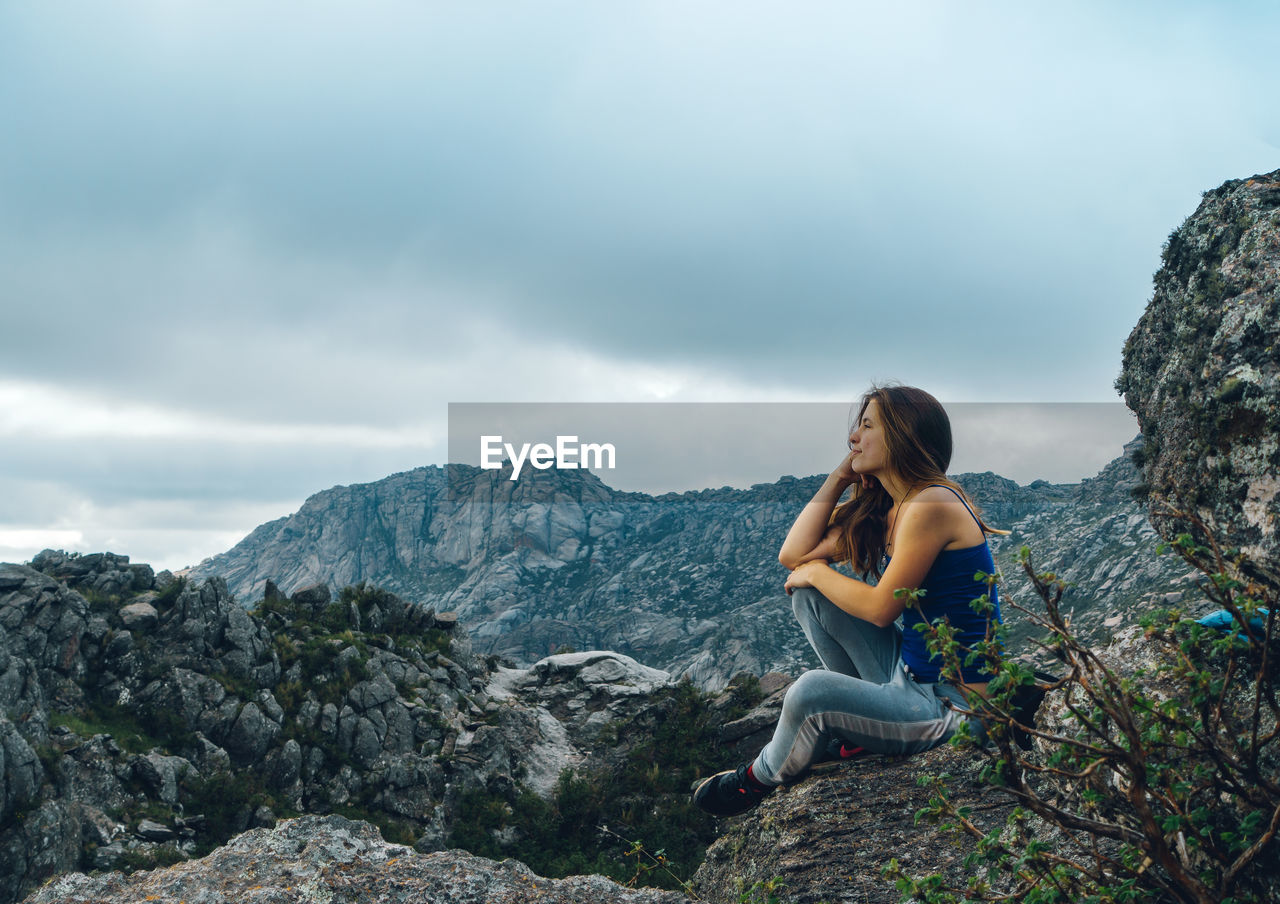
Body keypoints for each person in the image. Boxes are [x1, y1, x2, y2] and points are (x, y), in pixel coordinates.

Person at [693, 384, 1006, 817]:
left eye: (867, 426)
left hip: (952, 707)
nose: (853, 438)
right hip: (910, 677)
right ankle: (859, 732)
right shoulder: (894, 507)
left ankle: (758, 778)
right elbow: (793, 556)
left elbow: (882, 608)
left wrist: (819, 572)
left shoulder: (933, 503)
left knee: (810, 690)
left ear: (902, 437)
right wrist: (841, 476)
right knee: (808, 596)